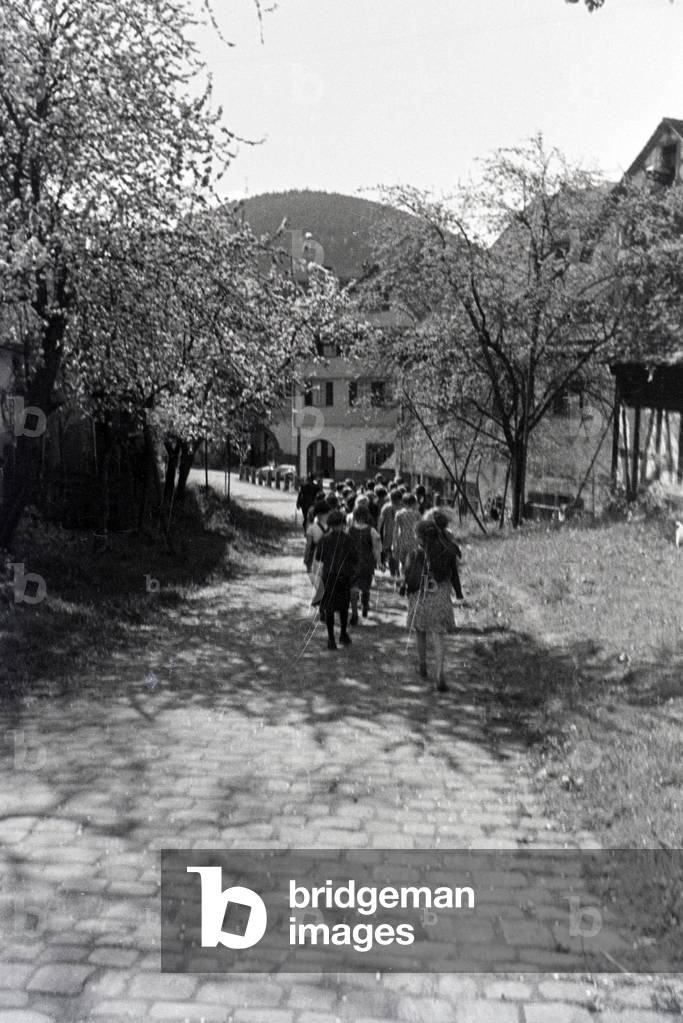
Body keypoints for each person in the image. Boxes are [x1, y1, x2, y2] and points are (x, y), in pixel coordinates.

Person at [403, 510, 464, 692]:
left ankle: (422, 666)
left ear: (421, 537)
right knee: (438, 636)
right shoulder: (448, 550)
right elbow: (454, 574)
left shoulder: (415, 554)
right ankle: (440, 673)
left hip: (420, 597)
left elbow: (408, 576)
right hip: (441, 597)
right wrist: (459, 593)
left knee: (420, 631)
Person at [315, 510, 358, 650]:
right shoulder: (349, 539)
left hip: (328, 576)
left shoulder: (324, 539)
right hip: (344, 576)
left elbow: (319, 558)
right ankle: (343, 634)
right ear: (343, 523)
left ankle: (331, 639)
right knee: (344, 607)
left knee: (329, 607)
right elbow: (355, 558)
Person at [348, 504, 381, 624]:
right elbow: (377, 549)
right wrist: (380, 563)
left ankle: (355, 613)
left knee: (353, 588)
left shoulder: (350, 530)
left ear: (355, 516)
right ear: (366, 516)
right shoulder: (372, 530)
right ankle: (365, 605)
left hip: (352, 563)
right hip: (367, 563)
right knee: (365, 587)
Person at [303, 499, 330, 607]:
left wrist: (306, 557)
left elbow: (309, 545)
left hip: (316, 555)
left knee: (314, 576)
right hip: (330, 555)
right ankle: (322, 596)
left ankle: (320, 595)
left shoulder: (312, 528)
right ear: (328, 513)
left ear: (317, 514)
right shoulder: (332, 527)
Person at [392, 492, 422, 578]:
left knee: (402, 563)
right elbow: (419, 529)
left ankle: (403, 581)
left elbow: (395, 530)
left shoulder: (399, 514)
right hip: (414, 541)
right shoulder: (417, 514)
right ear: (414, 502)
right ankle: (410, 581)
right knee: (412, 563)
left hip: (402, 540)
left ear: (403, 502)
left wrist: (393, 544)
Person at [378, 488, 402, 579]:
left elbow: (380, 521)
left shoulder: (386, 507)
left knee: (390, 554)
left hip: (388, 534)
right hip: (400, 535)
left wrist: (378, 532)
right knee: (398, 554)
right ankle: (398, 572)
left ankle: (393, 573)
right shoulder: (403, 507)